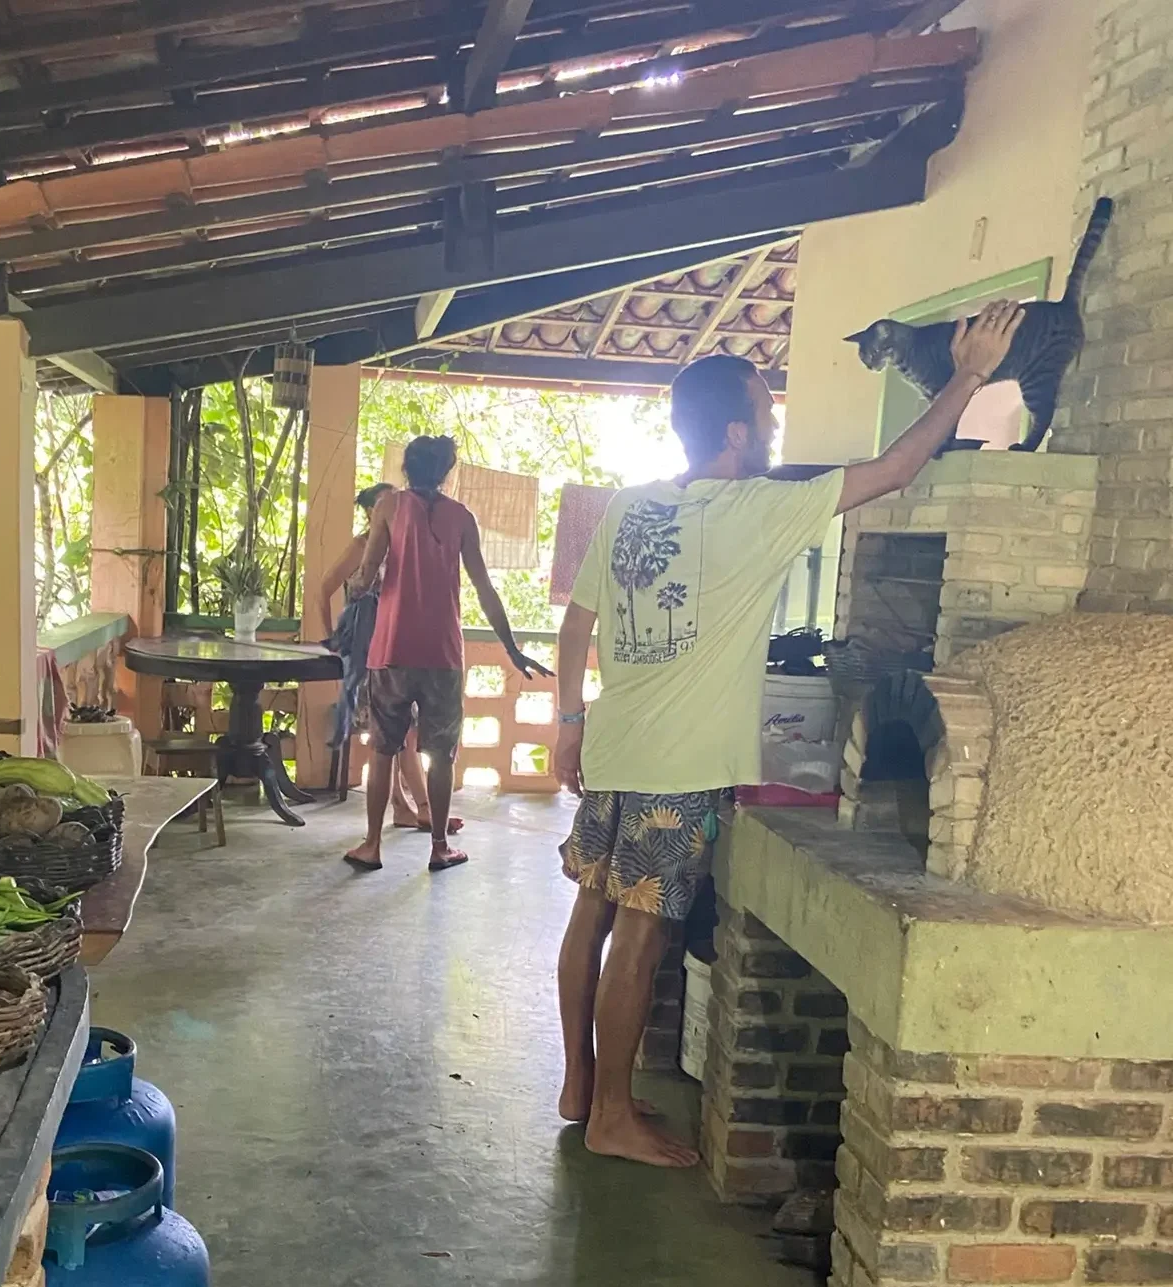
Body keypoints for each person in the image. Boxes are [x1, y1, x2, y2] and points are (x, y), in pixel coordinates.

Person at [553, 301, 1026, 1167]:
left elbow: (578, 622)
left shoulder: (631, 505)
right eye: (766, 415)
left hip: (615, 741)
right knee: (644, 928)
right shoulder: (759, 509)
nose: (773, 428)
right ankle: (613, 1116)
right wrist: (969, 374)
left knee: (593, 907)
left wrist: (570, 721)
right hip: (678, 761)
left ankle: (581, 1086)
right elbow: (892, 468)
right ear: (736, 431)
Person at [342, 434, 549, 874]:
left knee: (383, 750)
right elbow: (484, 589)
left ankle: (372, 845)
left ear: (406, 469)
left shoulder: (388, 507)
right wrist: (511, 648)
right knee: (441, 754)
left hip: (391, 650)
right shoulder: (462, 517)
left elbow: (363, 578)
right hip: (443, 655)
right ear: (446, 472)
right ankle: (439, 847)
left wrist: (359, 586)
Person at [318, 482, 457, 833]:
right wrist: (335, 640)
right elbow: (324, 588)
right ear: (370, 512)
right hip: (368, 651)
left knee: (404, 733)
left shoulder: (404, 547)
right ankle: (411, 807)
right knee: (388, 737)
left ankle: (413, 806)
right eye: (385, 505)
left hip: (398, 650)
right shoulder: (362, 546)